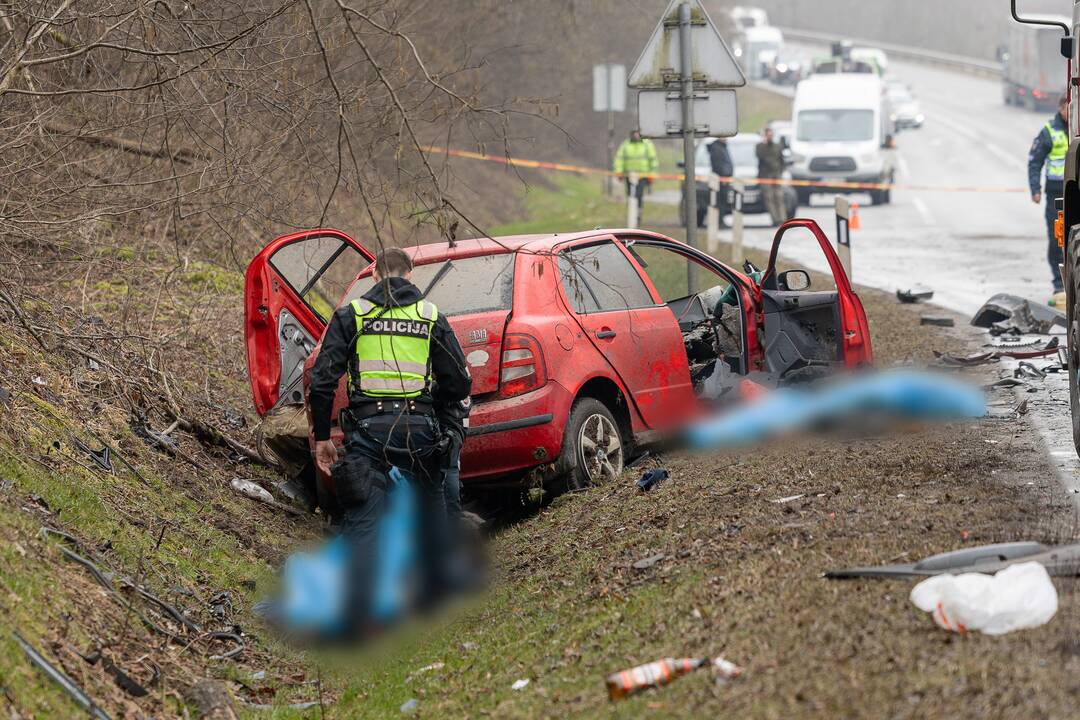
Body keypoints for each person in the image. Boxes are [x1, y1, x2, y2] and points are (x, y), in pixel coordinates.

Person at [308, 247, 471, 628]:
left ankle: (360, 612)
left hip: (369, 434)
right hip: (422, 433)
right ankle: (436, 604)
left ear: (374, 275)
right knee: (432, 514)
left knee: (365, 519)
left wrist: (321, 438)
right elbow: (459, 381)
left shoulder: (353, 315)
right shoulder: (430, 317)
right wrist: (439, 414)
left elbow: (322, 382)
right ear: (410, 274)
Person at [1028, 93, 1069, 298]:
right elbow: (1035, 161)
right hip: (1055, 194)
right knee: (1057, 239)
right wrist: (1035, 189)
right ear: (1062, 108)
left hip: (1074, 192)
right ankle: (1058, 283)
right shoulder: (1049, 131)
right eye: (1069, 107)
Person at [614, 129, 658, 217]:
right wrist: (619, 172)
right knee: (630, 194)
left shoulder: (647, 144)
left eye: (638, 134)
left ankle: (638, 211)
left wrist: (652, 175)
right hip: (629, 174)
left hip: (643, 175)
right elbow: (619, 159)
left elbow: (653, 160)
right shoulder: (625, 145)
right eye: (634, 134)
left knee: (639, 194)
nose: (636, 136)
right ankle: (631, 212)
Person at [756, 126, 786, 226]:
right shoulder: (760, 146)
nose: (770, 137)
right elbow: (761, 156)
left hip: (776, 175)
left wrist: (781, 172)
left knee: (779, 197)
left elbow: (782, 160)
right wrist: (764, 143)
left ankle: (782, 219)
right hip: (765, 176)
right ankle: (775, 220)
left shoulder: (777, 146)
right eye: (767, 135)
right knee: (769, 198)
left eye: (771, 135)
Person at [708, 138, 734, 229]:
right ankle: (719, 222)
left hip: (724, 179)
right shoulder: (717, 148)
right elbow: (718, 165)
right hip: (721, 180)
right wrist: (724, 176)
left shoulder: (722, 147)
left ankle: (721, 220)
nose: (726, 139)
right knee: (719, 202)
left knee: (723, 202)